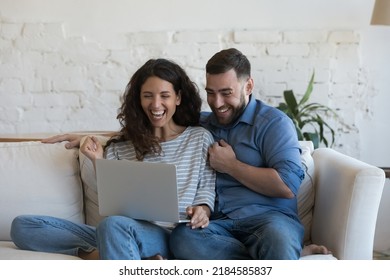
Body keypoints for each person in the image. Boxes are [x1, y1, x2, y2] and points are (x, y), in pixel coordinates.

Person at [41, 49, 331, 259]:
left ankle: (284, 251)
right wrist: (94, 138)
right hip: (220, 228)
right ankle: (279, 256)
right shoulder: (204, 122)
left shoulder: (273, 124)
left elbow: (287, 187)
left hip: (268, 220)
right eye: (211, 92)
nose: (217, 103)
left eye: (226, 92)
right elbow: (156, 124)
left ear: (249, 85)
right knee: (183, 239)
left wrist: (232, 166)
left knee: (278, 240)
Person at [10, 58, 216, 260]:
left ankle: (118, 253)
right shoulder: (121, 146)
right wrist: (98, 160)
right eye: (147, 96)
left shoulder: (198, 138)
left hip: (168, 235)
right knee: (22, 226)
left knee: (112, 225)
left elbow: (206, 186)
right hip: (119, 230)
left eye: (165, 95)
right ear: (138, 99)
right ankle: (103, 255)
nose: (156, 104)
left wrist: (203, 210)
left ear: (178, 98)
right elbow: (113, 200)